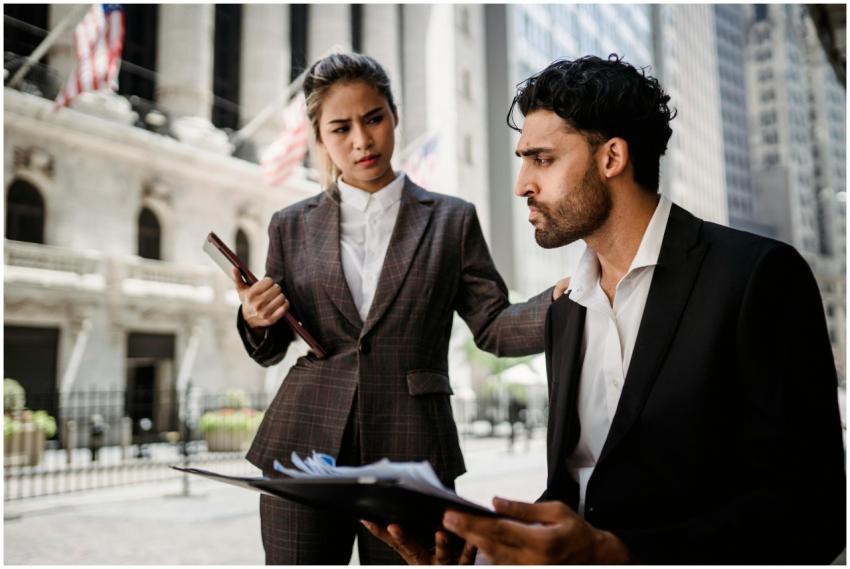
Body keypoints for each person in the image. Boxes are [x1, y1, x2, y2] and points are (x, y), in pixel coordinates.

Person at [364, 54, 846, 564]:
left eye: (542, 160)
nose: (521, 184)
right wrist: (483, 550)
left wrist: (618, 553)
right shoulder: (566, 311)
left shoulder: (758, 277)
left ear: (611, 158)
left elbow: (812, 512)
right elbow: (577, 497)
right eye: (522, 160)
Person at [232, 52, 568, 565]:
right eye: (340, 128)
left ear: (394, 115)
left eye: (373, 119)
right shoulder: (290, 225)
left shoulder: (452, 221)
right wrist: (255, 319)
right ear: (319, 138)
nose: (361, 141)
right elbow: (271, 347)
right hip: (303, 443)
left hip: (411, 443)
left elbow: (494, 327)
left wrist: (564, 302)